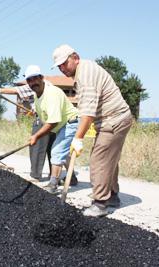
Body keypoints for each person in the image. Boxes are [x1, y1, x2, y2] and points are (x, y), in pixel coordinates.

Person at [52, 44, 133, 217]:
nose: (62, 69)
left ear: (75, 57)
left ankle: (100, 203)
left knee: (99, 160)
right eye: (59, 66)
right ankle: (112, 196)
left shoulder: (86, 75)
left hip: (113, 120)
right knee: (109, 159)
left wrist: (78, 138)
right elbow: (84, 108)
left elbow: (88, 113)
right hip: (116, 118)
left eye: (64, 64)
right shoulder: (84, 70)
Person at [0, 65, 79, 193]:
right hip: (61, 123)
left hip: (70, 122)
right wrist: (33, 112)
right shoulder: (37, 96)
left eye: (35, 79)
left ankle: (53, 184)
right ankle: (72, 178)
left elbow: (53, 121)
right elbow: (43, 113)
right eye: (29, 80)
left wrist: (36, 136)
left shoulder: (52, 93)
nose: (33, 83)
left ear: (41, 78)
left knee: (56, 151)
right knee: (62, 151)